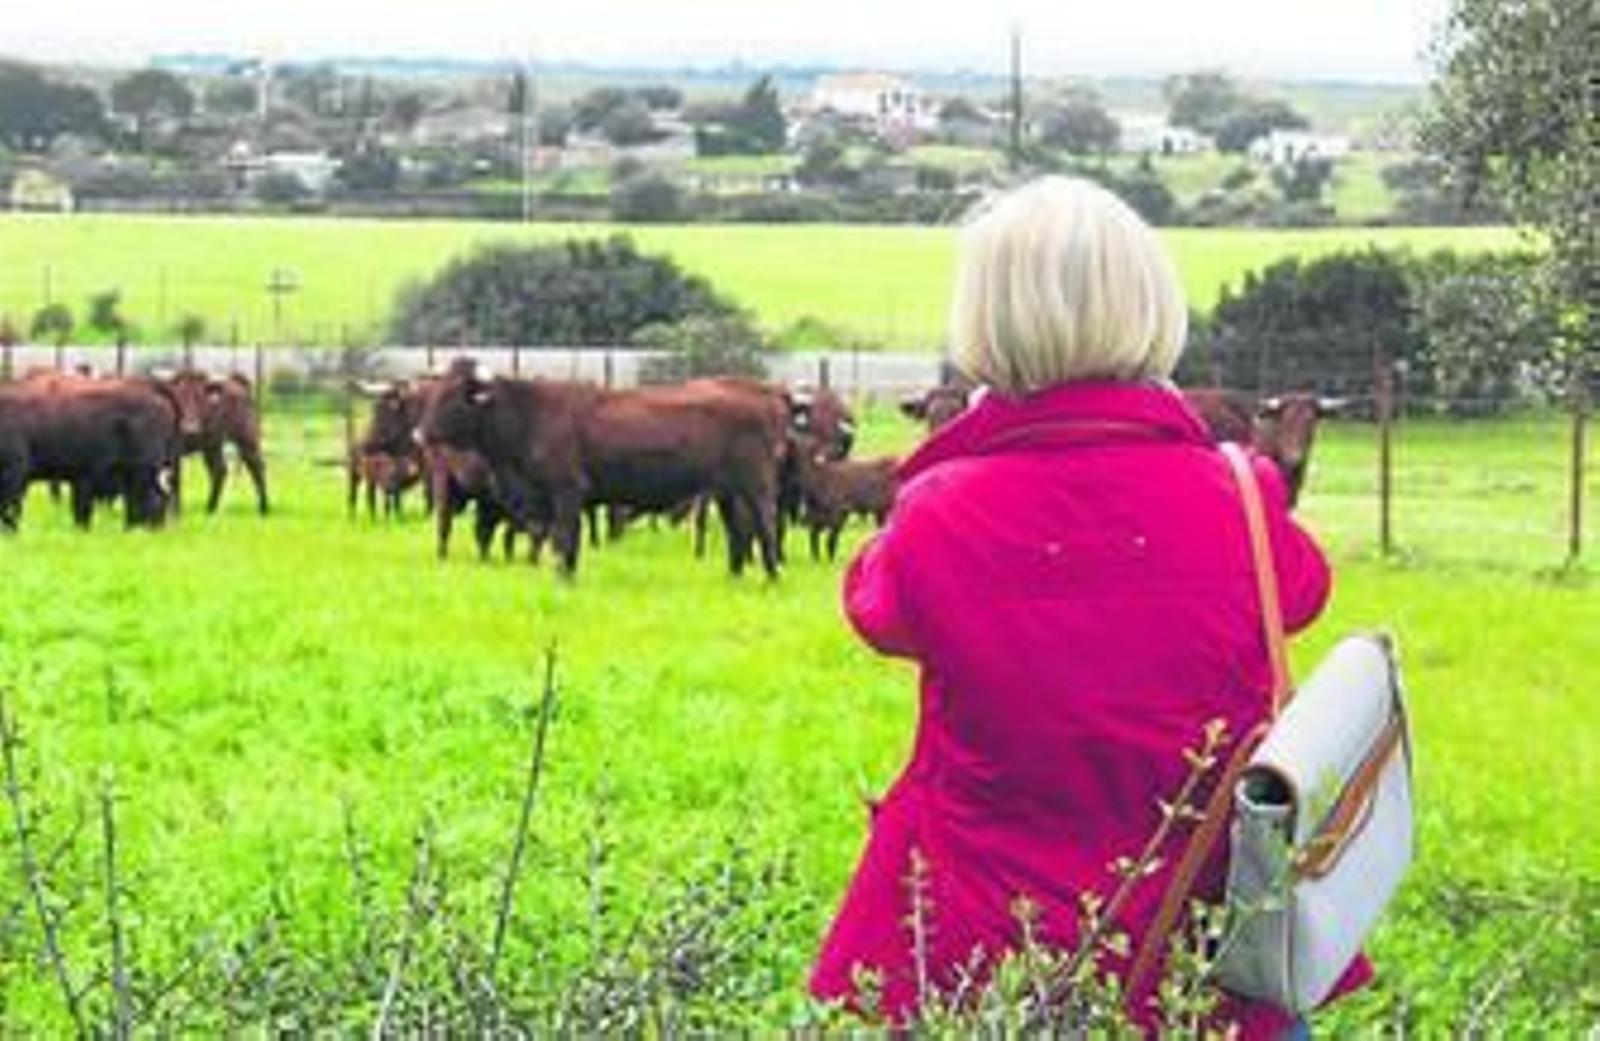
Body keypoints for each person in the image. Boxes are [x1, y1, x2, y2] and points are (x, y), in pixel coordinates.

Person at [809, 176, 1367, 1036]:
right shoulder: (1239, 494)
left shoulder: (938, 512)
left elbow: (875, 607)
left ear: (983, 321)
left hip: (985, 953)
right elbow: (1303, 592)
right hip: (1207, 952)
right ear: (1152, 305)